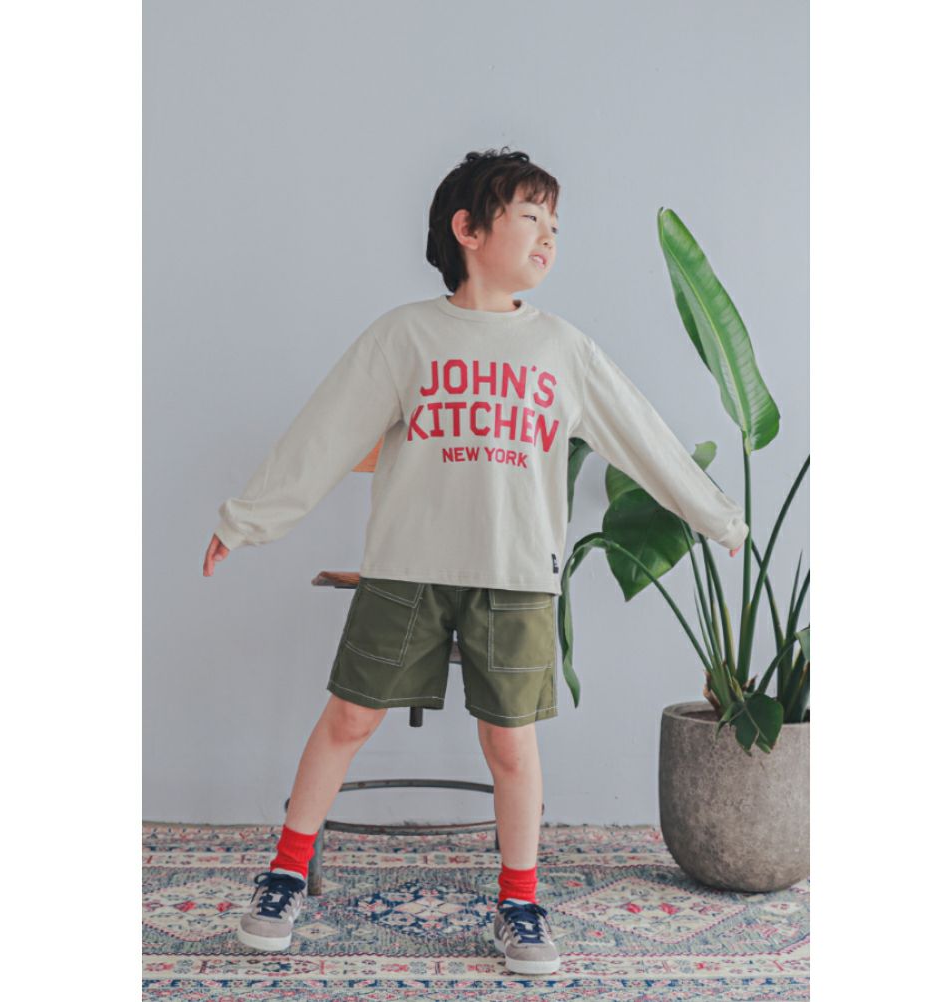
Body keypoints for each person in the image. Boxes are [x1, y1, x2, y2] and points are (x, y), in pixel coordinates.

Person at [202, 148, 748, 975]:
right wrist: (247, 520)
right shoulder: (405, 335)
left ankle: (520, 901)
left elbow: (642, 434)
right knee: (349, 719)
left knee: (511, 745)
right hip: (408, 568)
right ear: (468, 229)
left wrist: (715, 515)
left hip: (517, 575)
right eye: (530, 217)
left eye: (555, 223)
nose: (549, 236)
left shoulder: (561, 348)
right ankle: (284, 875)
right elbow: (325, 432)